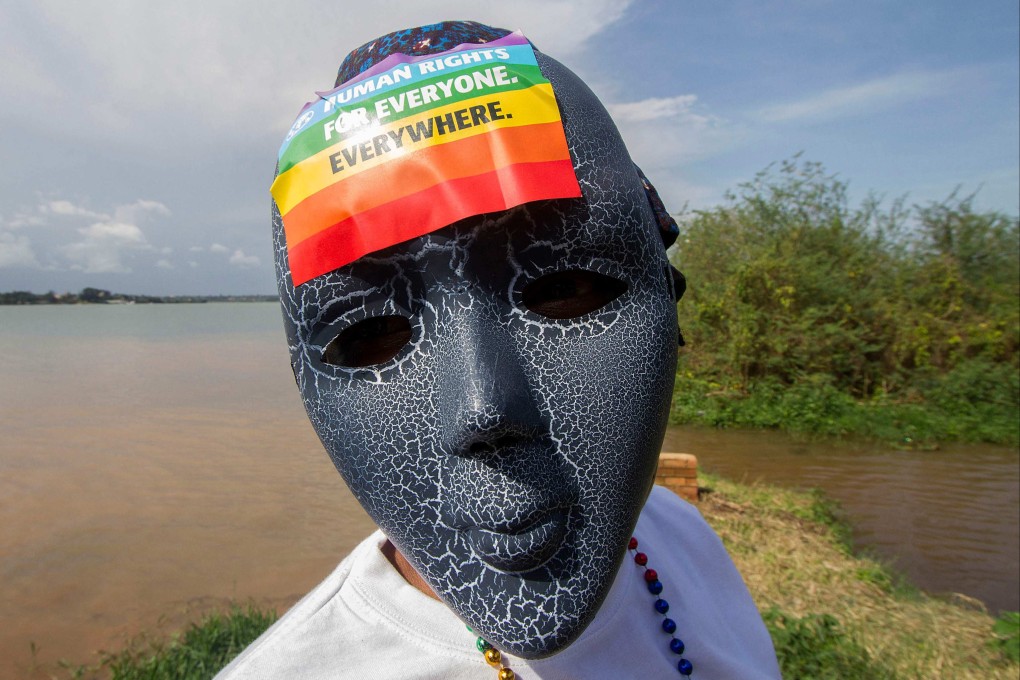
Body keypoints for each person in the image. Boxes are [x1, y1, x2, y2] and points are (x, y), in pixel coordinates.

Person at [217, 21, 780, 679]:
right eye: (371, 332)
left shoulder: (681, 537)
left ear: (668, 292)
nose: (481, 411)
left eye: (565, 289)